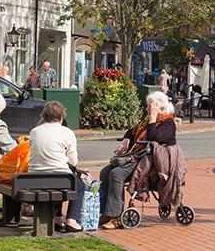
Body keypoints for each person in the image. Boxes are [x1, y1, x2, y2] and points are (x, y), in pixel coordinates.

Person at [97, 92, 177, 230]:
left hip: (150, 163)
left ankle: (116, 216)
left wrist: (152, 117)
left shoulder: (168, 124)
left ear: (161, 109)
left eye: (150, 107)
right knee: (105, 172)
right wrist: (126, 139)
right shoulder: (147, 120)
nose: (147, 110)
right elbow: (132, 131)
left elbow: (153, 137)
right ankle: (106, 212)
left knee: (116, 174)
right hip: (137, 156)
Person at [27, 101, 85, 232]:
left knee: (57, 178)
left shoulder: (34, 131)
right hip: (60, 179)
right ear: (62, 116)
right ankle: (72, 220)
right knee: (79, 185)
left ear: (44, 116)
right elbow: (73, 161)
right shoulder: (67, 132)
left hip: (34, 178)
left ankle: (57, 217)